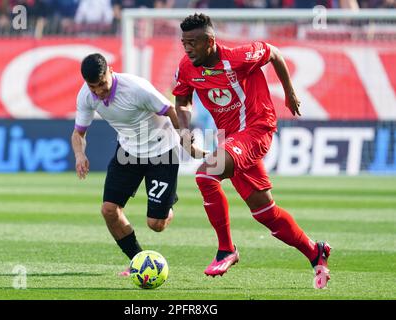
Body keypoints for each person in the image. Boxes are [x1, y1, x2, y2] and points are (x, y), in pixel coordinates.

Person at [173, 13, 331, 289]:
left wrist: (290, 92)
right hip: (231, 139)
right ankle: (315, 251)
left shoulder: (239, 57)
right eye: (184, 42)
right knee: (264, 212)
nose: (187, 48)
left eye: (193, 43)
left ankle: (226, 250)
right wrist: (184, 131)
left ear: (209, 41)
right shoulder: (187, 66)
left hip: (257, 129)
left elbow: (275, 53)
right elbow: (183, 100)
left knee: (205, 176)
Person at [72, 53, 199, 275]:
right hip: (128, 152)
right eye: (94, 88)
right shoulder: (86, 96)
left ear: (110, 71)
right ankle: (138, 261)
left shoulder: (136, 88)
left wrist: (185, 137)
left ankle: (167, 203)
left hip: (162, 151)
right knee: (109, 210)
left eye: (102, 84)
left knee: (156, 224)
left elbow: (170, 109)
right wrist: (80, 154)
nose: (99, 91)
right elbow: (78, 133)